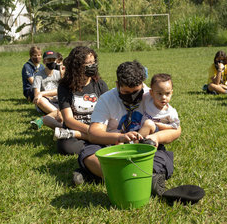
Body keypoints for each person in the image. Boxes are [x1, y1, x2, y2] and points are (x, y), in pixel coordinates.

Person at [75, 61, 181, 197]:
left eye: (136, 92)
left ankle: (100, 174)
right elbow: (94, 133)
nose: (132, 96)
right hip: (111, 148)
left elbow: (176, 129)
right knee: (89, 154)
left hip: (142, 149)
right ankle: (145, 179)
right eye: (125, 92)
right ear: (117, 85)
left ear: (143, 85)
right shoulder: (107, 99)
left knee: (162, 159)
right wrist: (119, 137)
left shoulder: (154, 95)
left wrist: (156, 137)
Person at [54, 46, 108, 155]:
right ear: (77, 66)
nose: (92, 66)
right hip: (77, 128)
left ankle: (86, 138)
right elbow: (68, 119)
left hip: (98, 128)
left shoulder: (100, 84)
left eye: (94, 62)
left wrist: (99, 130)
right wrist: (91, 131)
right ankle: (94, 140)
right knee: (66, 148)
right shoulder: (65, 87)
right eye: (88, 64)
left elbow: (108, 113)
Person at [138, 73, 180, 138]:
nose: (164, 97)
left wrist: (160, 126)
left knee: (148, 123)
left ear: (171, 93)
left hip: (155, 133)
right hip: (140, 129)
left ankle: (133, 144)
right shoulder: (148, 98)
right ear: (151, 93)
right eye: (159, 94)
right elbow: (143, 86)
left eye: (167, 93)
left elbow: (175, 126)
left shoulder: (171, 112)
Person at [30, 50, 62, 130]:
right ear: (44, 61)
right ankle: (59, 114)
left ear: (56, 61)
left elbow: (61, 90)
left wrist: (42, 93)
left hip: (58, 101)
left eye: (53, 60)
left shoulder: (59, 74)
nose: (52, 62)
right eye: (49, 60)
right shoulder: (38, 76)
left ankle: (43, 119)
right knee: (40, 100)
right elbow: (37, 95)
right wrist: (42, 95)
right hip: (47, 102)